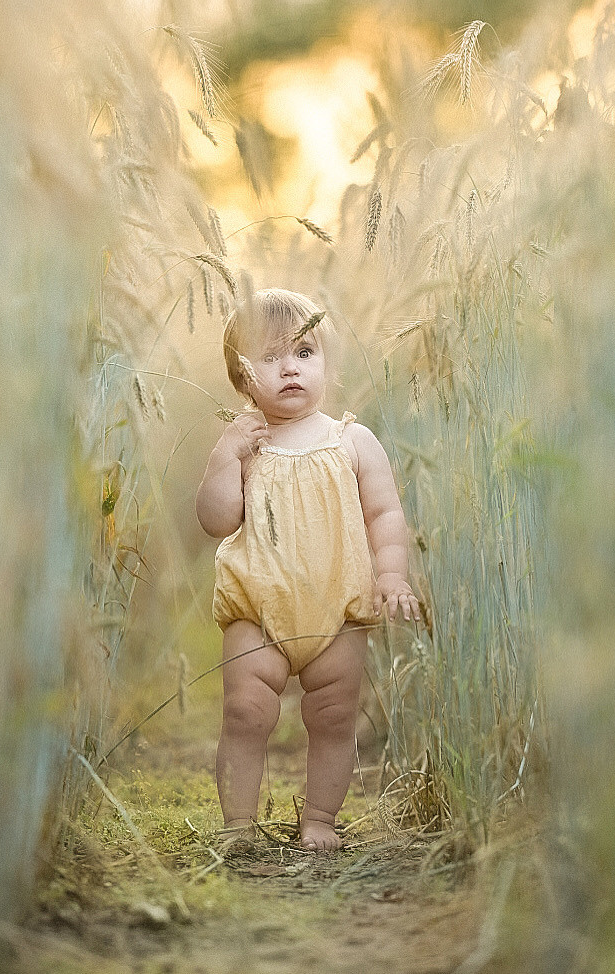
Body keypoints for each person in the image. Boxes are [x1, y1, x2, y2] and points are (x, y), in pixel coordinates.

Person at [196, 287, 418, 852]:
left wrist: (390, 576)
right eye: (269, 358)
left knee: (334, 716)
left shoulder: (353, 441)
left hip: (339, 607)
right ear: (243, 379)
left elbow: (385, 513)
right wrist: (225, 457)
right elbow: (217, 521)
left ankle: (319, 820)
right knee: (245, 711)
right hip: (257, 608)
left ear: (326, 365)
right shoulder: (246, 445)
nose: (289, 368)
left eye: (304, 352)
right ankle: (238, 828)